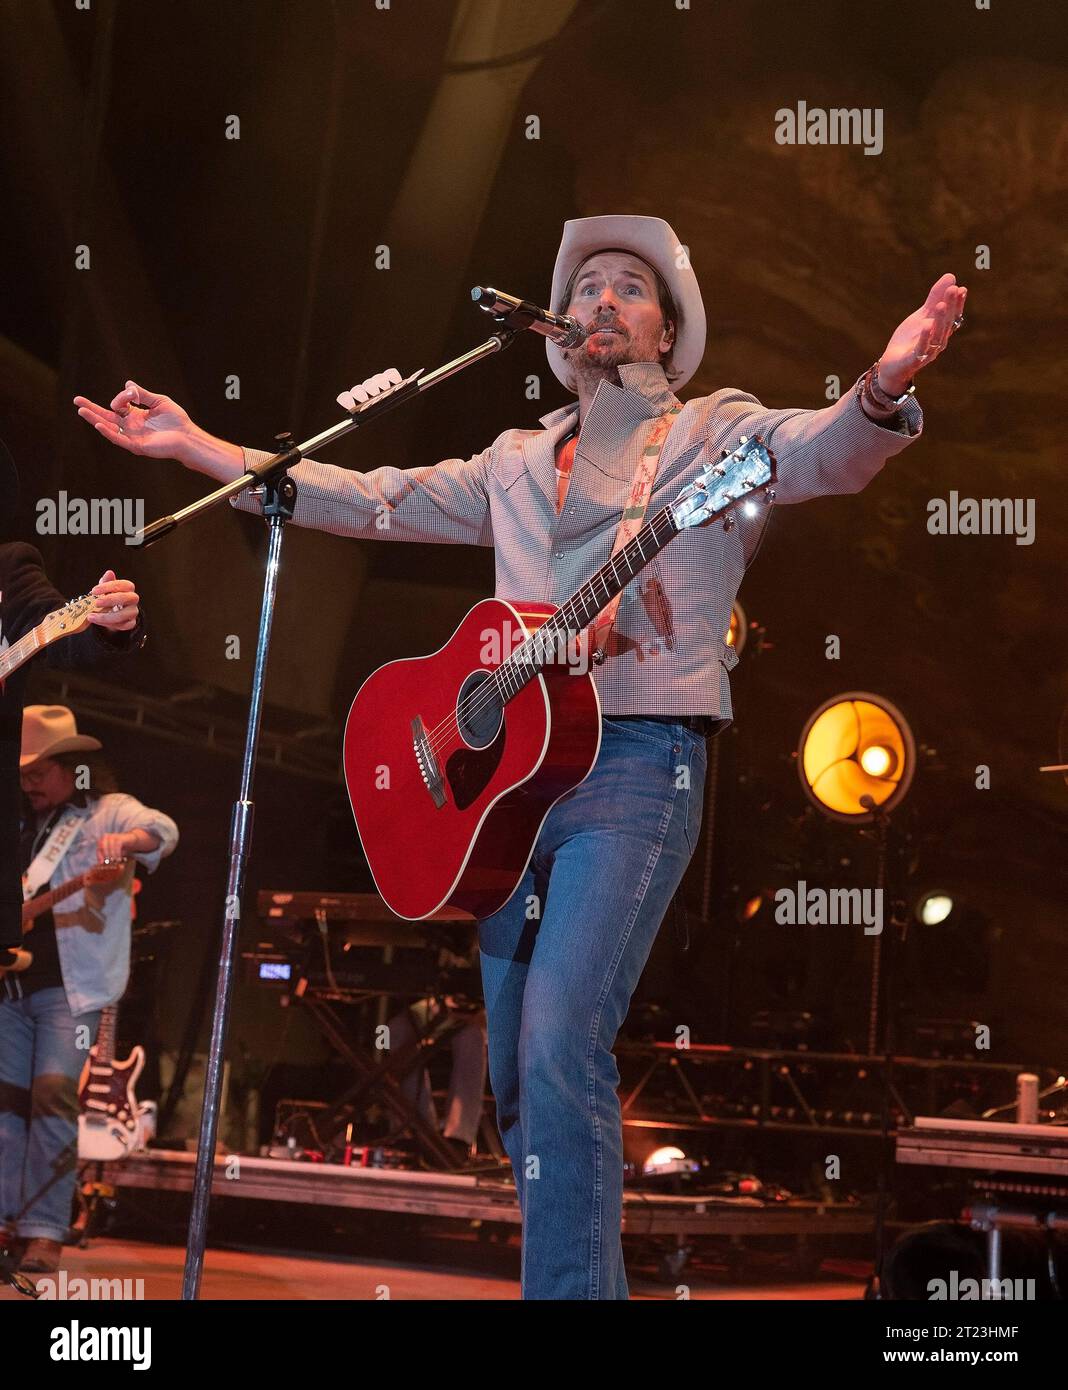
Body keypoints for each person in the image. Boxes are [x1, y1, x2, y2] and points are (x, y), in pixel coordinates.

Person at [73, 214, 966, 1298]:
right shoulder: (514, 462)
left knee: (557, 1042)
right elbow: (375, 497)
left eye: (629, 287)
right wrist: (203, 447)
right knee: (513, 1075)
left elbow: (821, 450)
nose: (602, 300)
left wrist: (880, 385)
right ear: (554, 324)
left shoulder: (707, 435)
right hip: (513, 790)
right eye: (586, 285)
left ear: (668, 327)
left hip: (638, 765)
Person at [0, 706, 178, 1273]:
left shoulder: (107, 812)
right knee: (5, 1108)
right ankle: (6, 1220)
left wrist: (126, 840)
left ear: (73, 766)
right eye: (22, 772)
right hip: (10, 988)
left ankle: (45, 1230)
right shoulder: (19, 824)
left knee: (53, 1096)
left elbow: (163, 831)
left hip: (70, 993)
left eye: (38, 772)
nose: (27, 783)